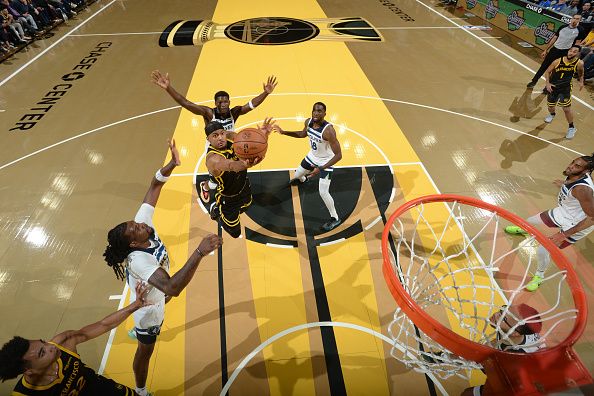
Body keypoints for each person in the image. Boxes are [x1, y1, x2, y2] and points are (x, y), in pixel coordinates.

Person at [102, 139, 223, 396]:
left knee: (162, 295)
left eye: (136, 224)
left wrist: (172, 164)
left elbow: (154, 185)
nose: (141, 224)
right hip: (148, 309)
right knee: (146, 350)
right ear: (134, 242)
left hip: (154, 288)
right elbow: (172, 286)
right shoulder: (139, 260)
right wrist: (199, 252)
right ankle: (141, 390)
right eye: (136, 228)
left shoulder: (141, 228)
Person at [150, 70, 278, 206]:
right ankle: (205, 186)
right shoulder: (208, 113)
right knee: (215, 178)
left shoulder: (234, 112)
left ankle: (230, 188)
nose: (223, 104)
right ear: (215, 103)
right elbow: (186, 103)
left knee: (233, 171)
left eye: (225, 101)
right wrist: (169, 88)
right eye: (220, 102)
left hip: (231, 145)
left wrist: (266, 93)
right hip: (214, 148)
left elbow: (251, 104)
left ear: (229, 102)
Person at [0, 282, 151, 395]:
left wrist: (135, 305)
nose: (51, 347)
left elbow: (103, 325)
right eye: (42, 353)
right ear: (29, 371)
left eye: (44, 343)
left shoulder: (62, 343)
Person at [505, 153, 594, 291]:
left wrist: (563, 235)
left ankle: (539, 276)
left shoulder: (583, 189)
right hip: (564, 212)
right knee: (529, 221)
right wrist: (564, 184)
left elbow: (592, 218)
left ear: (586, 171)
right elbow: (572, 184)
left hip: (578, 223)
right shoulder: (573, 175)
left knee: (543, 249)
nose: (570, 166)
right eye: (573, 162)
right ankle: (524, 230)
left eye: (577, 166)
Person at [274, 102, 343, 232]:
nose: (316, 113)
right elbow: (302, 134)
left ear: (324, 113)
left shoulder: (329, 131)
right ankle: (303, 180)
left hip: (326, 162)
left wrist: (320, 168)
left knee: (323, 192)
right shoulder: (309, 122)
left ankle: (335, 218)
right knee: (297, 175)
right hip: (312, 156)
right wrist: (284, 132)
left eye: (320, 111)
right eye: (314, 111)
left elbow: (339, 155)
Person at [203, 119, 274, 238]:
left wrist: (263, 135)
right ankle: (216, 210)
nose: (220, 138)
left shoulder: (231, 137)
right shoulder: (213, 159)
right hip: (228, 197)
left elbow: (252, 145)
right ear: (208, 139)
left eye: (222, 133)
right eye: (215, 136)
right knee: (235, 233)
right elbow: (231, 165)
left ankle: (210, 189)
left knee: (247, 204)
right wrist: (246, 165)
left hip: (243, 184)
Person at [462, 304, 544, 395]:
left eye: (504, 318)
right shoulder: (510, 331)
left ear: (515, 333)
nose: (497, 314)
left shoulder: (515, 357)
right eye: (503, 309)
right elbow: (488, 347)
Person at [526, 14, 586, 89]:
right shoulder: (562, 27)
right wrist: (546, 50)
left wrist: (573, 56)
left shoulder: (580, 30)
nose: (575, 20)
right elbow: (554, 38)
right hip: (554, 50)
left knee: (556, 71)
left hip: (565, 53)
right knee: (543, 66)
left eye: (577, 19)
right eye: (574, 18)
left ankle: (548, 87)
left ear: (579, 21)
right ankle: (534, 81)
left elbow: (577, 44)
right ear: (571, 19)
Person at [542, 45, 584, 139]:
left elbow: (581, 72)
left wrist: (581, 82)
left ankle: (572, 127)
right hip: (553, 87)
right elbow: (548, 72)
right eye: (570, 50)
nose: (571, 53)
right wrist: (548, 83)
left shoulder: (579, 63)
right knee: (551, 106)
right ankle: (552, 114)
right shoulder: (557, 61)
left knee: (566, 109)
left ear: (578, 54)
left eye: (574, 51)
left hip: (565, 88)